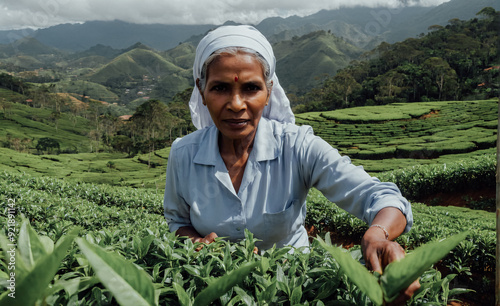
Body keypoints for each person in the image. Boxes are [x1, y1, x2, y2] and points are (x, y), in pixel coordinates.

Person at [163, 25, 420, 302]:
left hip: (292, 289)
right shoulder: (183, 155)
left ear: (269, 91)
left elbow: (382, 196)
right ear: (201, 90)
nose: (236, 104)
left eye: (251, 88)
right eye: (220, 88)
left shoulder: (298, 147)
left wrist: (378, 235)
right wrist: (194, 241)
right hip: (216, 290)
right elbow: (177, 219)